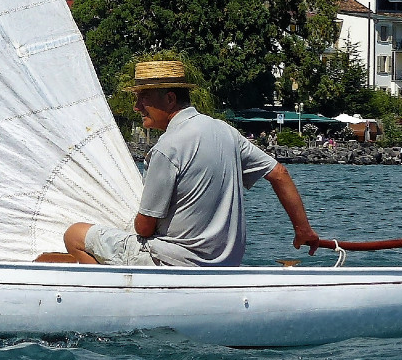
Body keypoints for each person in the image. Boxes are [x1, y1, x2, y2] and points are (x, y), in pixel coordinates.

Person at [64, 60, 319, 267]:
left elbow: (144, 228)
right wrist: (303, 231)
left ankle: (114, 300)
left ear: (170, 99)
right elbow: (279, 173)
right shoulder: (225, 131)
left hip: (175, 262)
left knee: (75, 234)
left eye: (144, 97)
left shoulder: (166, 149)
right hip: (225, 263)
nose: (137, 106)